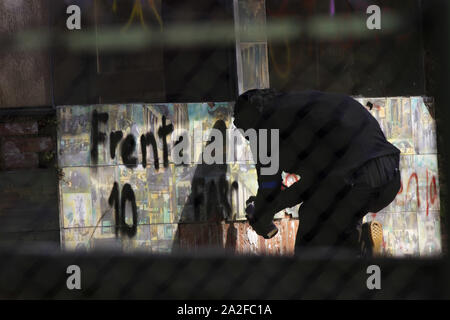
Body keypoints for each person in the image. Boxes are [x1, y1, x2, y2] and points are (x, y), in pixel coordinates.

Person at [233, 89, 401, 257]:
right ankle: (359, 249)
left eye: (243, 127)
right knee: (337, 221)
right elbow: (313, 184)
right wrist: (272, 206)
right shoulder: (300, 107)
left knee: (312, 234)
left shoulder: (266, 122)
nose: (246, 136)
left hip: (355, 176)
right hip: (387, 175)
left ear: (251, 114)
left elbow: (269, 185)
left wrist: (262, 212)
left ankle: (358, 253)